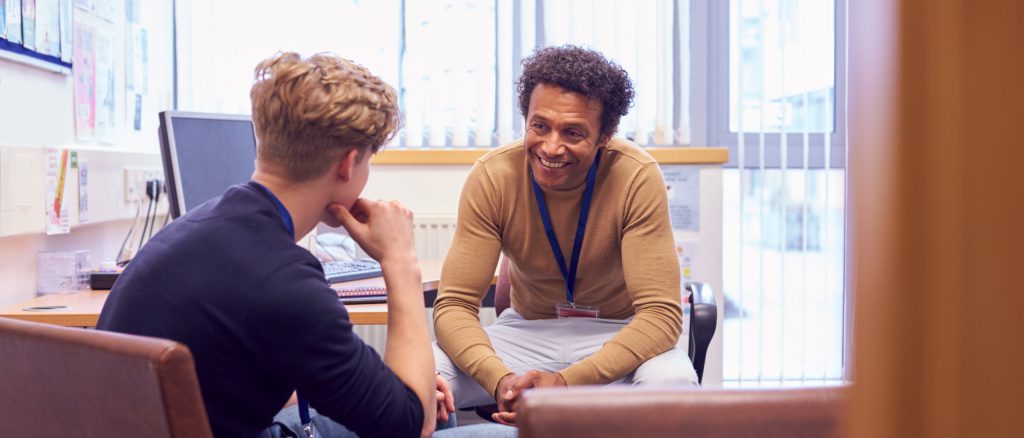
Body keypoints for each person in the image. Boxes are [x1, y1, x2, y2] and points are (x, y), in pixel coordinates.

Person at [98, 52, 513, 438]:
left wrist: (394, 386)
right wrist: (401, 262)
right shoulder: (282, 281)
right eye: (369, 161)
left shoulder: (198, 226)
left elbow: (233, 378)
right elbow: (410, 425)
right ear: (349, 164)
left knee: (435, 400)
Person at [433, 45, 698, 425]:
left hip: (618, 333)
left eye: (573, 132)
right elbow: (454, 305)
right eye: (539, 126)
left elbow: (660, 316)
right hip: (526, 334)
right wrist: (501, 380)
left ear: (605, 135)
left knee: (674, 386)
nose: (551, 147)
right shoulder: (493, 176)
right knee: (419, 377)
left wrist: (566, 382)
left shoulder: (636, 176)